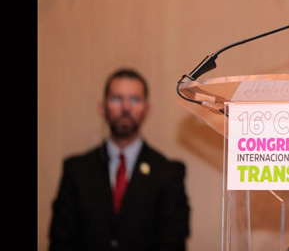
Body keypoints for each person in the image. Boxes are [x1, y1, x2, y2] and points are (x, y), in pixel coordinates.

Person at [49, 68, 190, 251]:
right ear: (102, 108)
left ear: (147, 109)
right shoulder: (76, 171)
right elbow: (61, 240)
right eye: (117, 99)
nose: (126, 107)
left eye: (134, 99)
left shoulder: (168, 173)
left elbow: (173, 242)